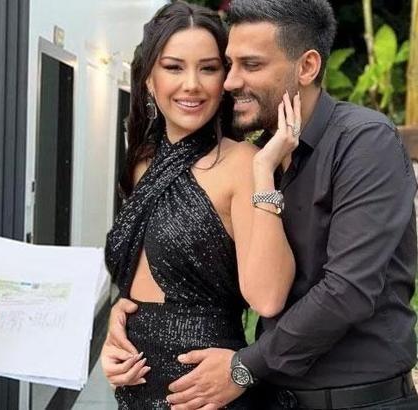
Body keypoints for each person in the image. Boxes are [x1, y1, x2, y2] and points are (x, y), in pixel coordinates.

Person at [108, 0, 418, 409]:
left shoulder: (363, 142)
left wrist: (244, 367)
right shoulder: (267, 153)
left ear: (307, 67)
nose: (230, 82)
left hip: (357, 400)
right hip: (272, 396)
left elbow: (348, 290)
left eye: (250, 65)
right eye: (229, 64)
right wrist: (126, 316)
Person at [101, 1, 301, 408]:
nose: (192, 84)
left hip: (207, 394)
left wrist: (264, 171)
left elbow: (267, 298)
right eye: (174, 67)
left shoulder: (242, 164)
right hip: (136, 391)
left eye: (208, 69)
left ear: (224, 79)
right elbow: (139, 284)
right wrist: (115, 325)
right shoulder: (141, 162)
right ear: (149, 79)